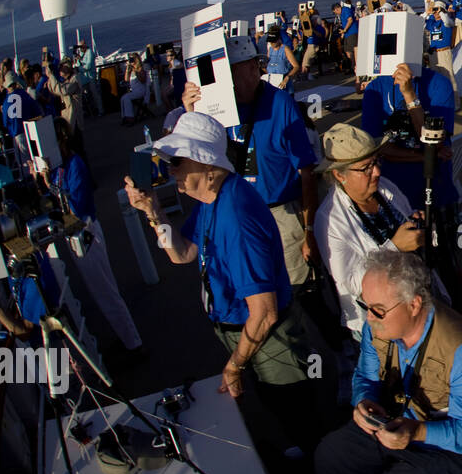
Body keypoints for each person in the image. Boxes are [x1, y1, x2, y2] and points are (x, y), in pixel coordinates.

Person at [123, 112, 321, 454]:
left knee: (296, 410)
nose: (170, 170)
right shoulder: (211, 201)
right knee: (278, 406)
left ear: (208, 166)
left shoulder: (237, 218)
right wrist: (153, 212)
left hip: (269, 341)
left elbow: (264, 313)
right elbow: (182, 253)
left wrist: (235, 365)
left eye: (178, 161)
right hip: (242, 331)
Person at [314, 250, 462, 474]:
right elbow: (364, 377)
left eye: (378, 309)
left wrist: (418, 432)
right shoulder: (376, 327)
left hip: (447, 446)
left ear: (414, 304)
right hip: (392, 422)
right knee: (331, 455)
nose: (369, 318)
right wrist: (363, 401)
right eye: (366, 306)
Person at [182, 35, 320, 294]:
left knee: (297, 290)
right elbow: (196, 158)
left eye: (232, 72)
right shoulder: (218, 108)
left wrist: (308, 231)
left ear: (253, 68)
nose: (228, 82)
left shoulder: (280, 103)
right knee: (253, 291)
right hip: (240, 214)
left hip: (280, 213)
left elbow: (306, 172)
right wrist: (191, 112)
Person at [34, 117, 145, 357]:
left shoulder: (75, 165)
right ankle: (126, 338)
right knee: (100, 292)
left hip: (85, 232)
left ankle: (134, 345)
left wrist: (49, 186)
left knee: (106, 292)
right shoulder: (60, 167)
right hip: (74, 233)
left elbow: (77, 208)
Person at [360, 61, 462, 311]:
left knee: (444, 265)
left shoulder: (438, 84)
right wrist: (424, 156)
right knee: (400, 272)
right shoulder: (376, 89)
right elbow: (376, 147)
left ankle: (455, 322)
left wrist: (410, 96)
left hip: (434, 192)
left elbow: (433, 141)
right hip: (391, 196)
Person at [313, 124, 425, 341]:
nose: (376, 172)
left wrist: (416, 223)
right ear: (339, 174)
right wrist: (395, 247)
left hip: (417, 298)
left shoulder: (385, 187)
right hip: (381, 324)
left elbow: (406, 216)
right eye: (365, 168)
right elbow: (350, 284)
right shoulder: (329, 221)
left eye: (376, 162)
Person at [119, 57, 150, 124]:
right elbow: (126, 79)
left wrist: (136, 71)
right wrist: (127, 69)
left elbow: (143, 80)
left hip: (141, 91)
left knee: (127, 98)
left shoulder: (140, 69)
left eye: (133, 61)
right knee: (122, 98)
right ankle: (125, 117)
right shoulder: (131, 70)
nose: (132, 62)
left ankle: (130, 118)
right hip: (134, 91)